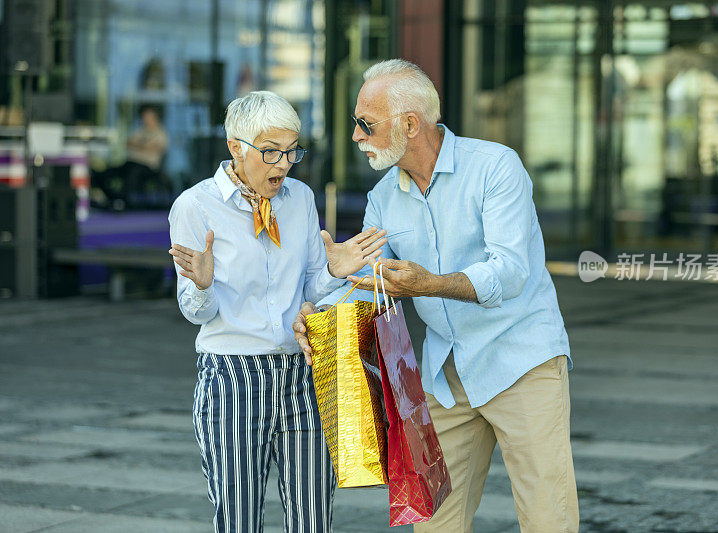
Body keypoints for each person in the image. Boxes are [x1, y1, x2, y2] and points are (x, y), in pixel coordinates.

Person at [292, 60, 579, 532]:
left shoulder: (495, 166)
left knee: (549, 518)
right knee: (432, 521)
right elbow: (369, 281)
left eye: (366, 124)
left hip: (523, 361)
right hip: (445, 376)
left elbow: (509, 273)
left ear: (410, 124)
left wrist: (428, 284)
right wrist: (323, 308)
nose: (356, 137)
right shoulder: (383, 196)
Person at [168, 90, 387, 532]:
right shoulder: (196, 205)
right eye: (270, 152)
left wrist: (334, 269)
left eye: (292, 152)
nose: (284, 164)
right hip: (232, 377)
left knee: (313, 519)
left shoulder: (300, 198)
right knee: (239, 519)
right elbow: (195, 313)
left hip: (302, 372)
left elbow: (309, 288)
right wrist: (202, 285)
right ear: (235, 147)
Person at [93, 105, 169, 209]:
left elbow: (151, 147)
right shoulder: (140, 131)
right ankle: (114, 199)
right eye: (144, 116)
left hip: (147, 167)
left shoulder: (160, 133)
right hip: (129, 163)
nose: (145, 119)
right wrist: (141, 146)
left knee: (132, 174)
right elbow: (127, 143)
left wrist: (137, 146)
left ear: (155, 117)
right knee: (104, 174)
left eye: (148, 116)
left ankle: (124, 202)